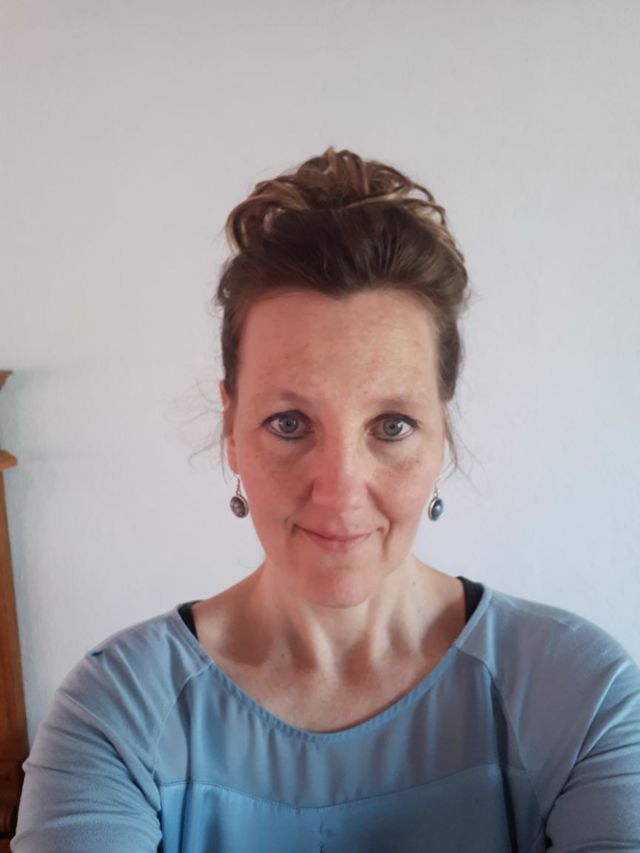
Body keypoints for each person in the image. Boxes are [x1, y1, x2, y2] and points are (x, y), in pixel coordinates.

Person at [12, 148, 640, 852]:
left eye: (391, 426)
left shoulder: (582, 695)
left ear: (442, 431)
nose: (340, 492)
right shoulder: (116, 714)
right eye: (289, 423)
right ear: (231, 429)